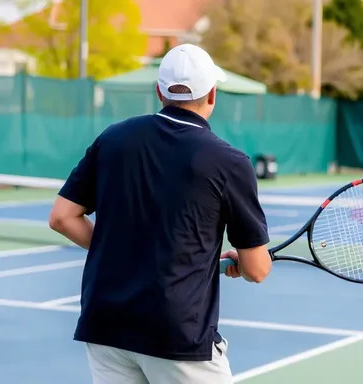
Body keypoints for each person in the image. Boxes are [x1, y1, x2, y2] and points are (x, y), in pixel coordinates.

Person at [48, 43, 273, 384]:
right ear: (212, 94)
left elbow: (62, 217)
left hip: (105, 325)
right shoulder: (230, 162)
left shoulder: (112, 139)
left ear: (159, 91)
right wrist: (244, 265)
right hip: (177, 335)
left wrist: (123, 252)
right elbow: (257, 269)